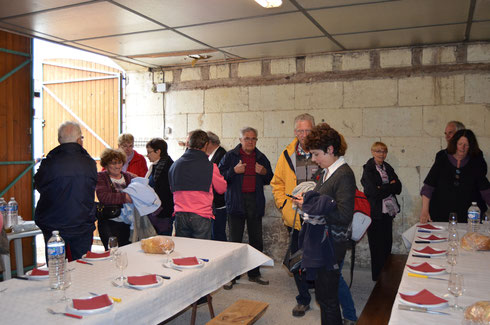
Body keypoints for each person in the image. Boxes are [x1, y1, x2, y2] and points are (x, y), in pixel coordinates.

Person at [292, 123, 356, 325]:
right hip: (322, 241)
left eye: (317, 154)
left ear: (330, 150)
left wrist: (312, 206)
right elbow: (322, 200)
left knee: (327, 299)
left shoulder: (344, 174)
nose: (313, 159)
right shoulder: (327, 171)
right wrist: (307, 201)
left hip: (332, 244)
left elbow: (345, 215)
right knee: (324, 296)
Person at [270, 113, 320, 317]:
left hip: (318, 216)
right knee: (297, 259)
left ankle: (317, 286)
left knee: (318, 258)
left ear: (314, 130)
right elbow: (277, 183)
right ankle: (303, 299)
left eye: (308, 130)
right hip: (296, 217)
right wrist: (284, 205)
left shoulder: (323, 151)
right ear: (295, 132)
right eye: (300, 130)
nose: (303, 134)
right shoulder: (287, 155)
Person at [219, 127, 274, 288]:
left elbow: (270, 178)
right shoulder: (229, 156)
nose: (250, 141)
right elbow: (220, 178)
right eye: (247, 138)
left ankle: (254, 273)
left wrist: (264, 172)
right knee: (235, 241)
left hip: (254, 201)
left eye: (253, 139)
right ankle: (232, 276)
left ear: (256, 140)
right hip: (236, 201)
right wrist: (233, 171)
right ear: (240, 140)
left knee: (256, 239)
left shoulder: (261, 157)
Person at [34, 121, 97, 261]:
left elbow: (38, 184)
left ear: (59, 140)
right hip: (82, 223)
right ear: (79, 139)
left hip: (54, 225)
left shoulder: (50, 162)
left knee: (56, 267)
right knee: (82, 266)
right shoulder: (89, 162)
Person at [420, 129, 490, 223]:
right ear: (455, 143)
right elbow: (428, 187)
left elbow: (486, 191)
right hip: (440, 215)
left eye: (466, 145)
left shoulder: (476, 163)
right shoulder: (442, 160)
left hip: (467, 218)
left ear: (471, 146)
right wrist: (425, 211)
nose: (462, 147)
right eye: (460, 144)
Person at [169, 130, 227, 239]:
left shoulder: (175, 165)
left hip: (180, 214)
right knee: (201, 252)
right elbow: (222, 189)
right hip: (201, 215)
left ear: (188, 143)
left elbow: (172, 188)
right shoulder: (210, 167)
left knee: (184, 251)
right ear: (206, 145)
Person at [361, 142, 402, 282]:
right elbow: (373, 192)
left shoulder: (388, 167)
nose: (381, 154)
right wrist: (389, 186)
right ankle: (377, 277)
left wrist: (383, 187)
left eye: (384, 151)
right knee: (376, 246)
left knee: (386, 245)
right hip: (375, 212)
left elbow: (398, 187)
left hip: (388, 212)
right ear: (372, 152)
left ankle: (386, 275)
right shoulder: (368, 169)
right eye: (378, 151)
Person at [96, 148, 134, 250]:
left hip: (127, 223)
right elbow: (103, 197)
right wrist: (124, 197)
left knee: (128, 252)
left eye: (120, 162)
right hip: (109, 222)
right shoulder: (101, 177)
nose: (117, 166)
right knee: (112, 253)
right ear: (106, 164)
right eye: (113, 163)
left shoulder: (128, 177)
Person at [146, 138, 174, 235]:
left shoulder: (168, 166)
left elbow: (165, 191)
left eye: (149, 152)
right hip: (154, 211)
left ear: (158, 151)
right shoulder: (155, 166)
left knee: (163, 241)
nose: (147, 155)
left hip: (163, 213)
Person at [206, 131, 228, 241]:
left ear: (209, 143)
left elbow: (221, 179)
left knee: (218, 234)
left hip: (219, 202)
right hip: (215, 203)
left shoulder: (221, 155)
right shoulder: (214, 154)